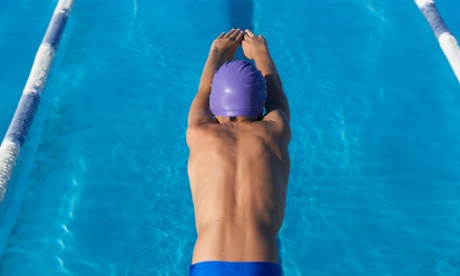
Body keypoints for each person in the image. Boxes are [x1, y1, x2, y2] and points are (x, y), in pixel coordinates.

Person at [186, 28, 291, 276]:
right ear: (259, 106)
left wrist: (217, 52)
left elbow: (203, 90)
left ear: (215, 106)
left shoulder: (200, 131)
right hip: (260, 263)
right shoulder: (274, 131)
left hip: (208, 263)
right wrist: (261, 53)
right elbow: (275, 92)